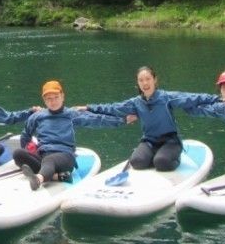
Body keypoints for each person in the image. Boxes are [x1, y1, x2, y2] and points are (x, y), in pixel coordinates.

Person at [77, 66, 217, 171]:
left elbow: (192, 98)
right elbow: (113, 108)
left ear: (155, 80)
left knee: (162, 163)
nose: (145, 83)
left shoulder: (166, 98)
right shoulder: (136, 102)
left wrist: (216, 99)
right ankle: (155, 157)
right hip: (150, 141)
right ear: (138, 83)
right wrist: (89, 108)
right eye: (141, 80)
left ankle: (172, 157)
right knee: (137, 163)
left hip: (170, 141)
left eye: (148, 79)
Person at [16, 80, 127, 191]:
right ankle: (56, 176)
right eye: (49, 98)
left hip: (65, 156)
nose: (53, 101)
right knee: (18, 154)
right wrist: (29, 148)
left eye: (56, 97)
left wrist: (123, 120)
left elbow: (97, 120)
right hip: (43, 155)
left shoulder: (71, 114)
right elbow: (25, 135)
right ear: (44, 100)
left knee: (49, 161)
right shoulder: (37, 116)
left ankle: (38, 179)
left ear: (62, 96)